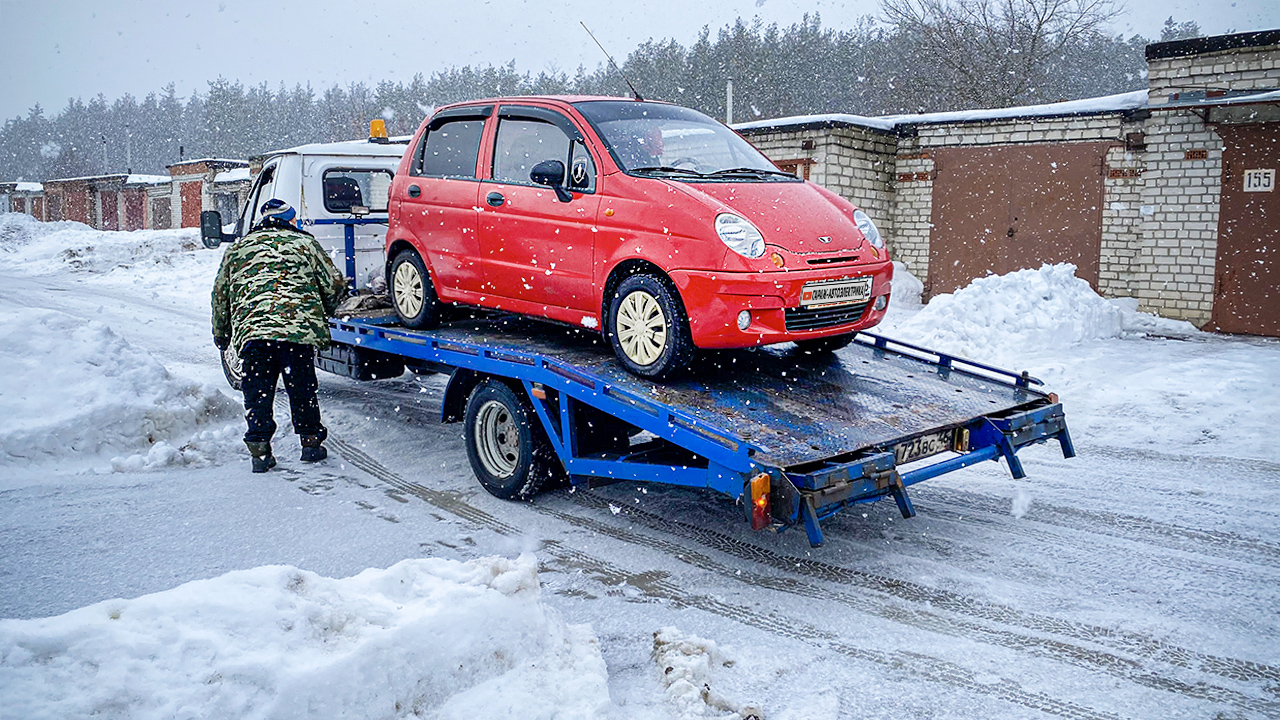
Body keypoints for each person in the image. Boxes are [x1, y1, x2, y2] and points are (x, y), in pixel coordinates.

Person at [211, 199, 347, 473]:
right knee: (302, 389)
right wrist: (326, 309)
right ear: (290, 220)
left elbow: (220, 295)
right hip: (297, 334)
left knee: (257, 393)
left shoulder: (238, 248)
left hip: (255, 335)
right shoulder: (305, 244)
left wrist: (222, 333)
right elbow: (333, 284)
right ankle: (310, 443)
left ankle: (260, 451)